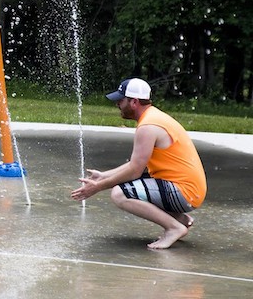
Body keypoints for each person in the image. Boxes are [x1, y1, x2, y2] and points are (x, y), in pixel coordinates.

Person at [71, 78, 207, 249]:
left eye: (120, 100)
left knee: (120, 194)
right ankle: (180, 220)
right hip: (189, 190)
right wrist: (104, 175)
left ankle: (174, 228)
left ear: (133, 102)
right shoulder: (154, 117)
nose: (117, 104)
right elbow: (137, 165)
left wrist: (98, 187)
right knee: (129, 182)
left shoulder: (148, 126)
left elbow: (134, 170)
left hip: (184, 192)